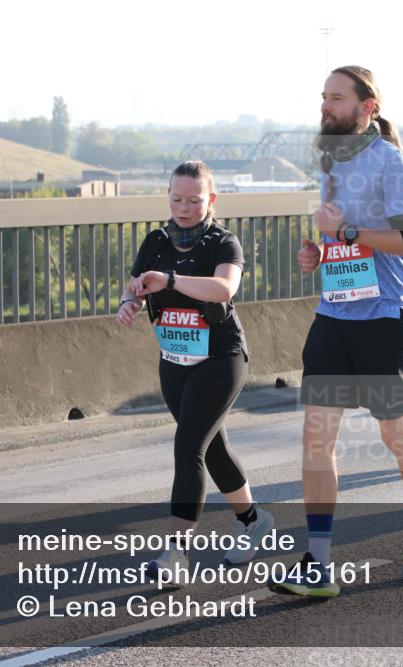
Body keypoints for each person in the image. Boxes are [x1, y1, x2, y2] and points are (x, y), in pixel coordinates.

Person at [270, 66, 403, 598]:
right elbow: (335, 240)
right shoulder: (328, 160)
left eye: (337, 98)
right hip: (334, 316)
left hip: (384, 316)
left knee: (395, 436)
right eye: (323, 96)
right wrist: (315, 253)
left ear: (367, 107)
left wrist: (346, 231)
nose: (326, 105)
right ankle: (317, 564)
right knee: (317, 436)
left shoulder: (389, 160)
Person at [117, 161, 273, 574]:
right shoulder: (155, 241)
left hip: (221, 358)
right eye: (176, 199)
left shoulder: (223, 243)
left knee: (188, 447)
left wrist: (168, 279)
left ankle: (176, 553)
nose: (184, 208)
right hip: (174, 360)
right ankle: (253, 521)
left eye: (194, 200)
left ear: (211, 200)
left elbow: (223, 288)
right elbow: (137, 287)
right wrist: (129, 303)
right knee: (212, 449)